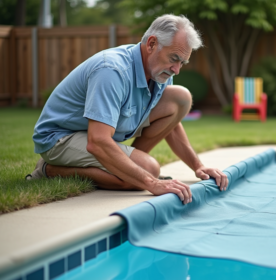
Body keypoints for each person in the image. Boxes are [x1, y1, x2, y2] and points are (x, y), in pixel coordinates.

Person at [26, 14, 228, 205]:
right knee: (148, 170)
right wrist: (151, 182)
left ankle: (127, 167)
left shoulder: (160, 71)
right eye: (174, 58)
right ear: (151, 44)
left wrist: (198, 166)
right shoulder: (112, 71)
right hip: (60, 137)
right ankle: (49, 169)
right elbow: (98, 141)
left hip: (95, 134)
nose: (177, 69)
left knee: (180, 97)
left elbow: (172, 124)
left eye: (182, 62)